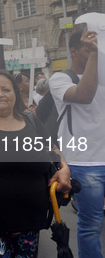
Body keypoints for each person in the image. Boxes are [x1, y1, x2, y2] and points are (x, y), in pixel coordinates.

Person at [0, 70, 71, 257]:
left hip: (31, 221)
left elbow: (53, 150)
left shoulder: (32, 122)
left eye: (6, 89)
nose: (1, 94)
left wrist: (64, 168)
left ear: (15, 94)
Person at [49, 28, 104, 258]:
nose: (97, 51)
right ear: (73, 51)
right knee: (91, 225)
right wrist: (94, 56)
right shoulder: (60, 78)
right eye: (89, 48)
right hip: (84, 163)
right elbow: (84, 95)